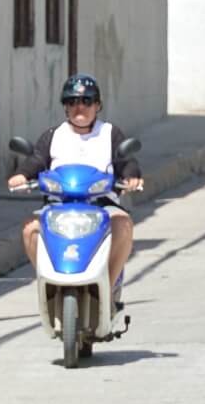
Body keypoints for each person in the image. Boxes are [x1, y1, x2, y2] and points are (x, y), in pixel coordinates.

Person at [7, 74, 143, 299]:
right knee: (30, 228)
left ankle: (106, 288)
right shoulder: (54, 136)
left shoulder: (110, 133)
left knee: (124, 225)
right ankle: (49, 286)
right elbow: (37, 160)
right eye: (72, 102)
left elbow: (126, 160)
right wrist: (21, 175)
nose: (79, 107)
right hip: (59, 205)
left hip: (102, 205)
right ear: (65, 107)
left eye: (86, 101)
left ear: (97, 105)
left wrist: (132, 176)